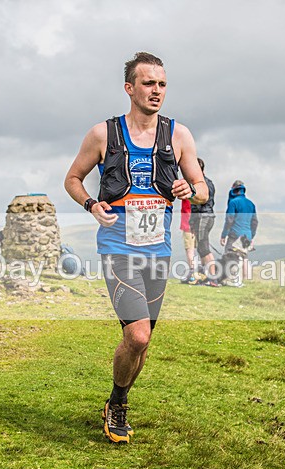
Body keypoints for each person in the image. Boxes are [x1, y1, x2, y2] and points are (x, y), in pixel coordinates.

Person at [64, 51, 208, 443]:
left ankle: (117, 400)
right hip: (117, 248)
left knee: (141, 343)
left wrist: (188, 188)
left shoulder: (178, 135)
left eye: (162, 84)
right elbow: (73, 178)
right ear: (130, 88)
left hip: (158, 253)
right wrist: (91, 204)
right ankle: (118, 403)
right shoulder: (103, 134)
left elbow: (202, 187)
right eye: (148, 83)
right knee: (138, 336)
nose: (156, 91)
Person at [220, 180, 258, 286]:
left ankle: (231, 280)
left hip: (235, 234)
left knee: (230, 256)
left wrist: (223, 235)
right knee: (244, 257)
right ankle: (245, 281)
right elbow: (255, 222)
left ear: (233, 190)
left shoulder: (233, 202)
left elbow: (229, 220)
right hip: (247, 236)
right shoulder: (251, 204)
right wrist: (252, 236)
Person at [190, 157, 218, 286]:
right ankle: (205, 276)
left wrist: (192, 222)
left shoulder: (200, 184)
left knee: (204, 247)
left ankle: (213, 278)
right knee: (202, 247)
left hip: (203, 217)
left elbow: (197, 203)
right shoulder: (209, 182)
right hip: (208, 216)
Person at [179, 197, 198, 283]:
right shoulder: (197, 195)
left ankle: (193, 274)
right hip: (196, 225)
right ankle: (195, 273)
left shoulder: (187, 196)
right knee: (193, 250)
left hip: (188, 225)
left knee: (189, 251)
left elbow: (186, 211)